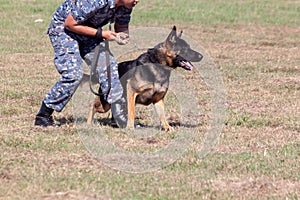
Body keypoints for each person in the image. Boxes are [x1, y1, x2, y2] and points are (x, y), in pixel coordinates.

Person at [34, 0, 140, 127]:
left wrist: (121, 36)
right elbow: (70, 24)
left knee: (109, 66)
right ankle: (43, 115)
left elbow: (121, 27)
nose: (137, 0)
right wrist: (102, 34)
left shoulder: (126, 5)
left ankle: (119, 117)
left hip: (89, 32)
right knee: (74, 74)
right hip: (64, 30)